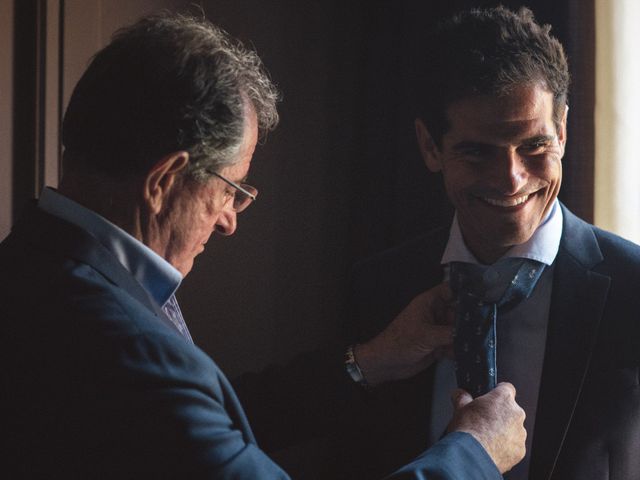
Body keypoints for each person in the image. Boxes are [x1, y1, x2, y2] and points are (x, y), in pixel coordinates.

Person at [0, 12, 526, 479]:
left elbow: (206, 432)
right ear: (163, 181)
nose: (230, 221)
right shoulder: (125, 349)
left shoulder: (26, 269)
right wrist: (472, 455)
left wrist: (367, 362)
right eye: (231, 191)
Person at [349, 6, 640, 480]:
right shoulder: (380, 285)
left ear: (562, 132)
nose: (510, 179)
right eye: (477, 151)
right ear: (429, 147)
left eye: (534, 146)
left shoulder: (635, 288)